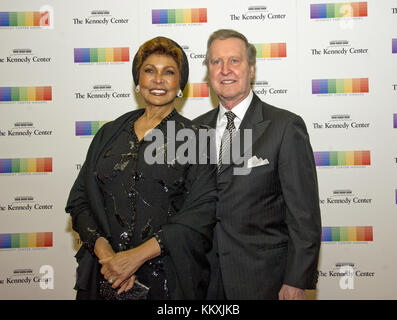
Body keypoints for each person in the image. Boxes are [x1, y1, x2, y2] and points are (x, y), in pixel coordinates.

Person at [65, 36, 217, 300]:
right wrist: (109, 258)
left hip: (168, 281)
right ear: (138, 80)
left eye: (168, 72)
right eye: (149, 71)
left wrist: (134, 258)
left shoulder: (195, 138)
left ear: (180, 84)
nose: (158, 79)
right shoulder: (109, 133)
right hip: (104, 275)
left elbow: (200, 215)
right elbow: (80, 201)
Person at [194, 29, 322, 300]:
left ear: (251, 70)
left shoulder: (285, 127)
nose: (225, 70)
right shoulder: (194, 130)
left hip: (265, 282)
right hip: (203, 282)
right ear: (208, 72)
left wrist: (296, 281)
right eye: (216, 62)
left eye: (234, 61)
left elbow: (304, 215)